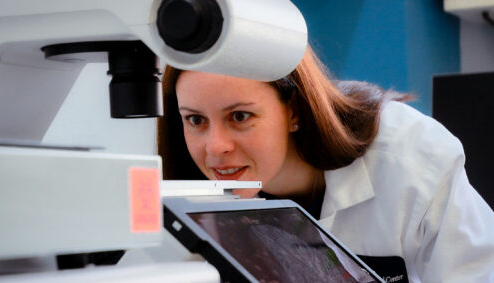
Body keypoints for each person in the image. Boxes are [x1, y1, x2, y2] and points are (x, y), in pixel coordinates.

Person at [157, 46, 494, 282]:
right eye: (196, 120)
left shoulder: (408, 155)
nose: (216, 148)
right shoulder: (186, 198)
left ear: (295, 111)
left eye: (240, 116)